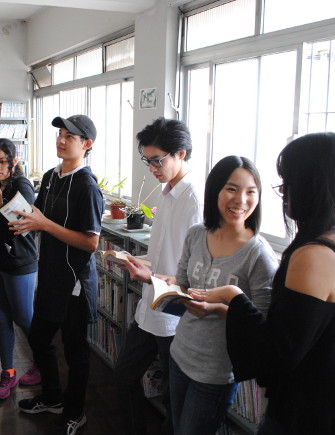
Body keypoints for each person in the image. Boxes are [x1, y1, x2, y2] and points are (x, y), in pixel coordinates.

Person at [191, 132, 335, 434]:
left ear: (311, 184)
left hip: (304, 415)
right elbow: (301, 333)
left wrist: (235, 298)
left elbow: (276, 355)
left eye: (287, 182)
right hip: (333, 407)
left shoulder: (312, 256)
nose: (284, 192)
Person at [125, 155, 278, 435]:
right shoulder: (197, 235)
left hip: (216, 372)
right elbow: (182, 288)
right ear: (216, 190)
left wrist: (219, 310)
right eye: (232, 189)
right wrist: (152, 280)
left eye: (250, 192)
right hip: (180, 353)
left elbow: (263, 324)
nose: (241, 200)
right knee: (174, 426)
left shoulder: (259, 254)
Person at [12, 115, 105, 435]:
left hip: (75, 284)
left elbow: (91, 242)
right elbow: (36, 215)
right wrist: (4, 205)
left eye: (71, 136)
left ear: (87, 144)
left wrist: (44, 226)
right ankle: (52, 396)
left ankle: (76, 412)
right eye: (60, 134)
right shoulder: (52, 176)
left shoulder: (87, 186)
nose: (61, 140)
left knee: (76, 352)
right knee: (38, 337)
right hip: (49, 278)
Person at [113, 117, 203, 435]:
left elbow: (193, 273)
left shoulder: (194, 201)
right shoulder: (166, 194)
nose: (151, 168)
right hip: (151, 307)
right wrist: (137, 262)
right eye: (147, 160)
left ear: (181, 153)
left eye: (157, 160)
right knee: (123, 378)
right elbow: (161, 254)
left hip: (175, 317)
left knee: (174, 398)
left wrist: (148, 275)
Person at [0, 138, 41, 400]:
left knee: (24, 318)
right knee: (1, 317)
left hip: (19, 263)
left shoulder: (23, 185)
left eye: (3, 161)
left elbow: (22, 223)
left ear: (13, 162)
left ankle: (42, 361)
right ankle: (8, 372)